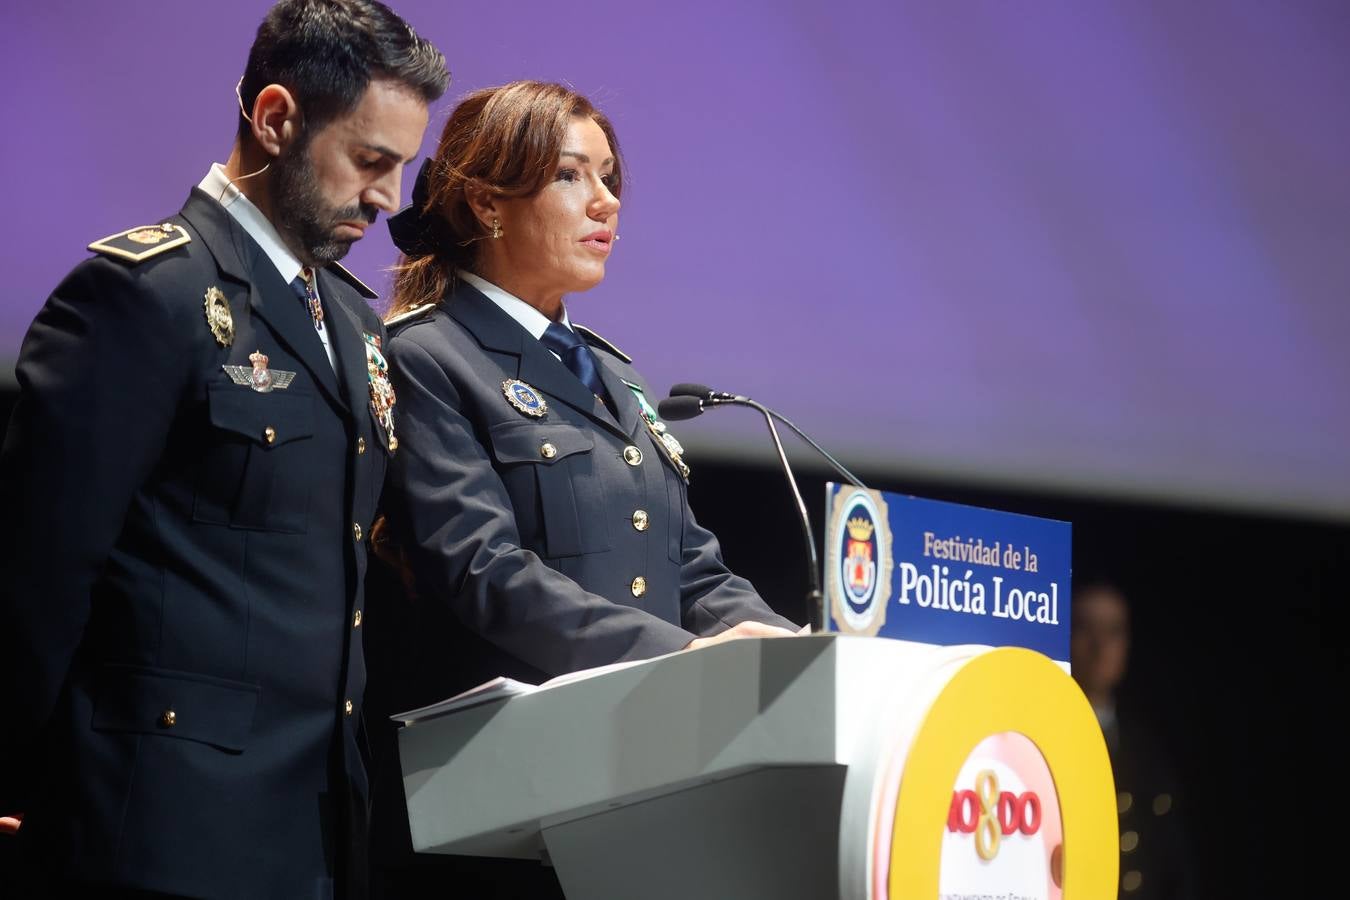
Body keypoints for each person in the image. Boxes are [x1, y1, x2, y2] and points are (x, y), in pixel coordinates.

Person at [0, 2, 447, 896]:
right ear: (276, 118)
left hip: (315, 829)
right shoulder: (146, 295)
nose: (388, 197)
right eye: (370, 161)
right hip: (159, 827)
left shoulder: (356, 325)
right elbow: (34, 571)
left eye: (401, 166)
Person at [364, 80, 801, 898]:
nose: (606, 203)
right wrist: (686, 659)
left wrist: (804, 658)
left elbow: (694, 573)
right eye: (573, 176)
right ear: (489, 204)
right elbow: (483, 572)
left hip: (635, 791)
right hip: (495, 808)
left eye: (609, 178)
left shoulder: (615, 375)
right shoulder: (427, 357)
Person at [1071, 579, 1197, 900]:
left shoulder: (1147, 750)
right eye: (1085, 627)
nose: (1099, 646)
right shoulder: (1041, 732)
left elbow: (1173, 862)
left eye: (1114, 631)